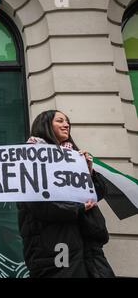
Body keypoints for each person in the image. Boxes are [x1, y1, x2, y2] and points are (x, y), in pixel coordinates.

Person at [17, 110, 115, 278]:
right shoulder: (30, 157)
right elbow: (38, 205)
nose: (66, 124)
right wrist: (78, 209)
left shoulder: (75, 155)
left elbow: (96, 194)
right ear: (45, 125)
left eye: (67, 121)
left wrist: (88, 173)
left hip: (89, 251)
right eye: (60, 121)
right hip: (54, 248)